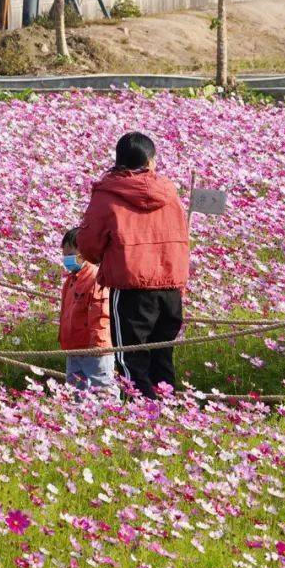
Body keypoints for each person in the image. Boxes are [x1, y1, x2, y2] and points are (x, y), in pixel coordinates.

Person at [76, 131, 189, 399]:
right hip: (170, 287)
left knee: (130, 359)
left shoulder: (108, 193)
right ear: (150, 162)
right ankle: (166, 410)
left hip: (131, 288)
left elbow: (89, 245)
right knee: (162, 356)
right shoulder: (169, 192)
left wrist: (108, 259)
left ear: (118, 161)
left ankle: (141, 414)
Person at [59, 226, 115, 394]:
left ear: (84, 253)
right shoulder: (71, 280)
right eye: (64, 255)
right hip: (74, 347)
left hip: (94, 349)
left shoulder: (97, 278)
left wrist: (98, 344)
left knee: (102, 392)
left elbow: (101, 312)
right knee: (75, 394)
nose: (66, 259)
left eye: (70, 255)